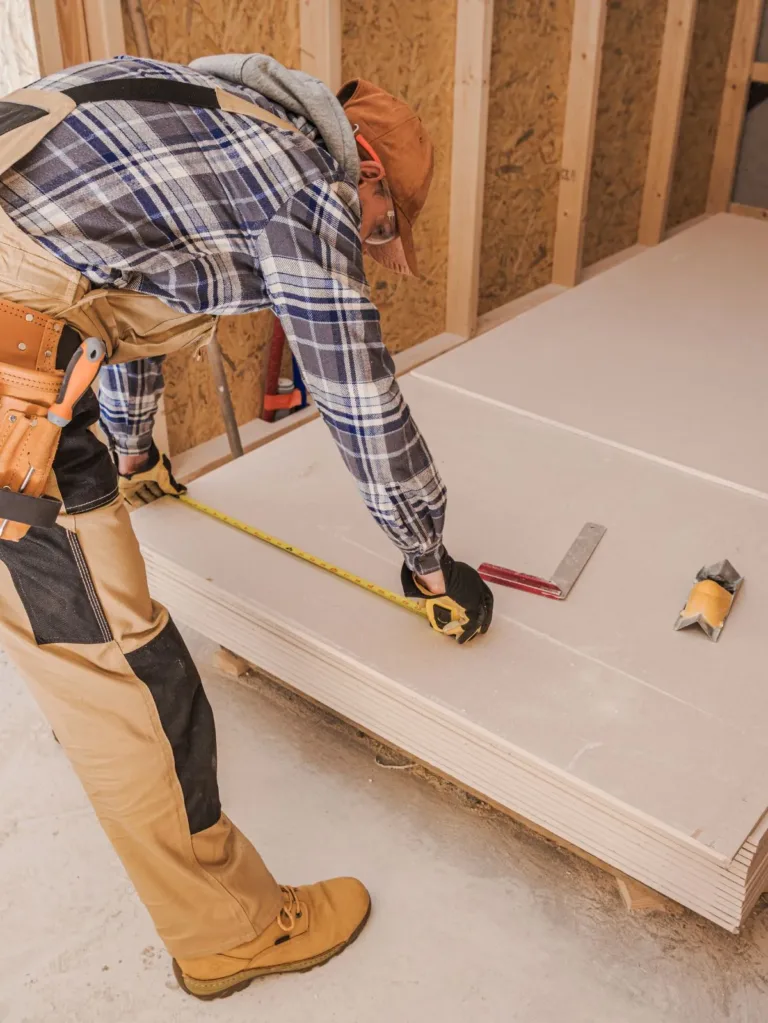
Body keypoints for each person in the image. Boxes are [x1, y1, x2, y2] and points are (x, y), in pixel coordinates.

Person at [0, 53, 493, 1000]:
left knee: (95, 629)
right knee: (131, 667)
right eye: (383, 228)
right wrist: (429, 561)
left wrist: (135, 455)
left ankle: (99, 716)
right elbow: (359, 400)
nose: (373, 247)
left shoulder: (209, 117)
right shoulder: (306, 191)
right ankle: (230, 930)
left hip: (31, 322)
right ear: (369, 175)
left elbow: (112, 301)